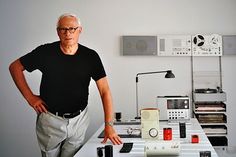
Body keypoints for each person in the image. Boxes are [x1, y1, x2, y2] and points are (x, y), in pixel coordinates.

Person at [9, 13, 122, 157]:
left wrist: (109, 125)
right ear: (57, 32)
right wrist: (30, 97)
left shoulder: (90, 56)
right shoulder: (45, 52)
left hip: (79, 120)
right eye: (63, 29)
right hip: (50, 119)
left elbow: (105, 91)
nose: (67, 33)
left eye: (72, 29)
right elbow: (15, 67)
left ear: (80, 30)